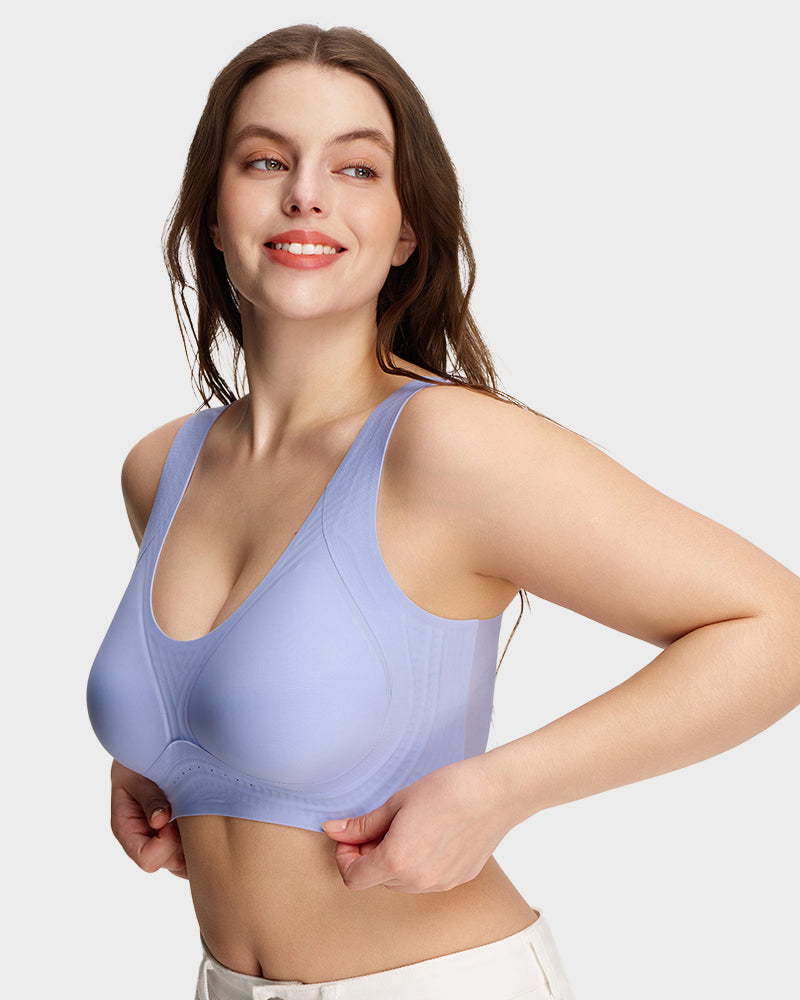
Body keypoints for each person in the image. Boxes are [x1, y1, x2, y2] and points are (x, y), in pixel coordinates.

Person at [87, 23, 800, 1000]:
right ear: (213, 213)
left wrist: (501, 788)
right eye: (265, 160)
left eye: (356, 168)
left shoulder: (442, 448)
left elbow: (775, 625)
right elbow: (261, 691)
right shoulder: (160, 467)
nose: (306, 194)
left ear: (405, 230)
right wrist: (161, 762)